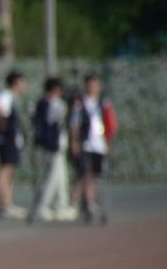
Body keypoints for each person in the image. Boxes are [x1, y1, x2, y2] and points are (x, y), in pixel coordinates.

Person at [31, 77, 78, 221]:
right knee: (52, 177)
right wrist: (72, 103)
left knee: (61, 178)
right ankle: (43, 206)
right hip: (53, 145)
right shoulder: (53, 103)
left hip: (56, 145)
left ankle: (61, 206)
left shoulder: (42, 103)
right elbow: (60, 115)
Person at [69, 73, 111, 222]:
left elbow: (109, 123)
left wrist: (107, 142)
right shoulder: (80, 103)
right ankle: (83, 203)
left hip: (99, 145)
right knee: (85, 174)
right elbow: (74, 124)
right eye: (90, 85)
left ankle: (89, 202)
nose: (92, 88)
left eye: (94, 85)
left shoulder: (103, 103)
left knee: (93, 175)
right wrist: (74, 142)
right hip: (85, 144)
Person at [0, 70, 28, 218]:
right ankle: (3, 204)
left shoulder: (11, 97)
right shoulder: (6, 95)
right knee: (5, 169)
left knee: (9, 170)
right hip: (6, 139)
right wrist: (4, 126)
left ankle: (7, 202)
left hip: (10, 139)